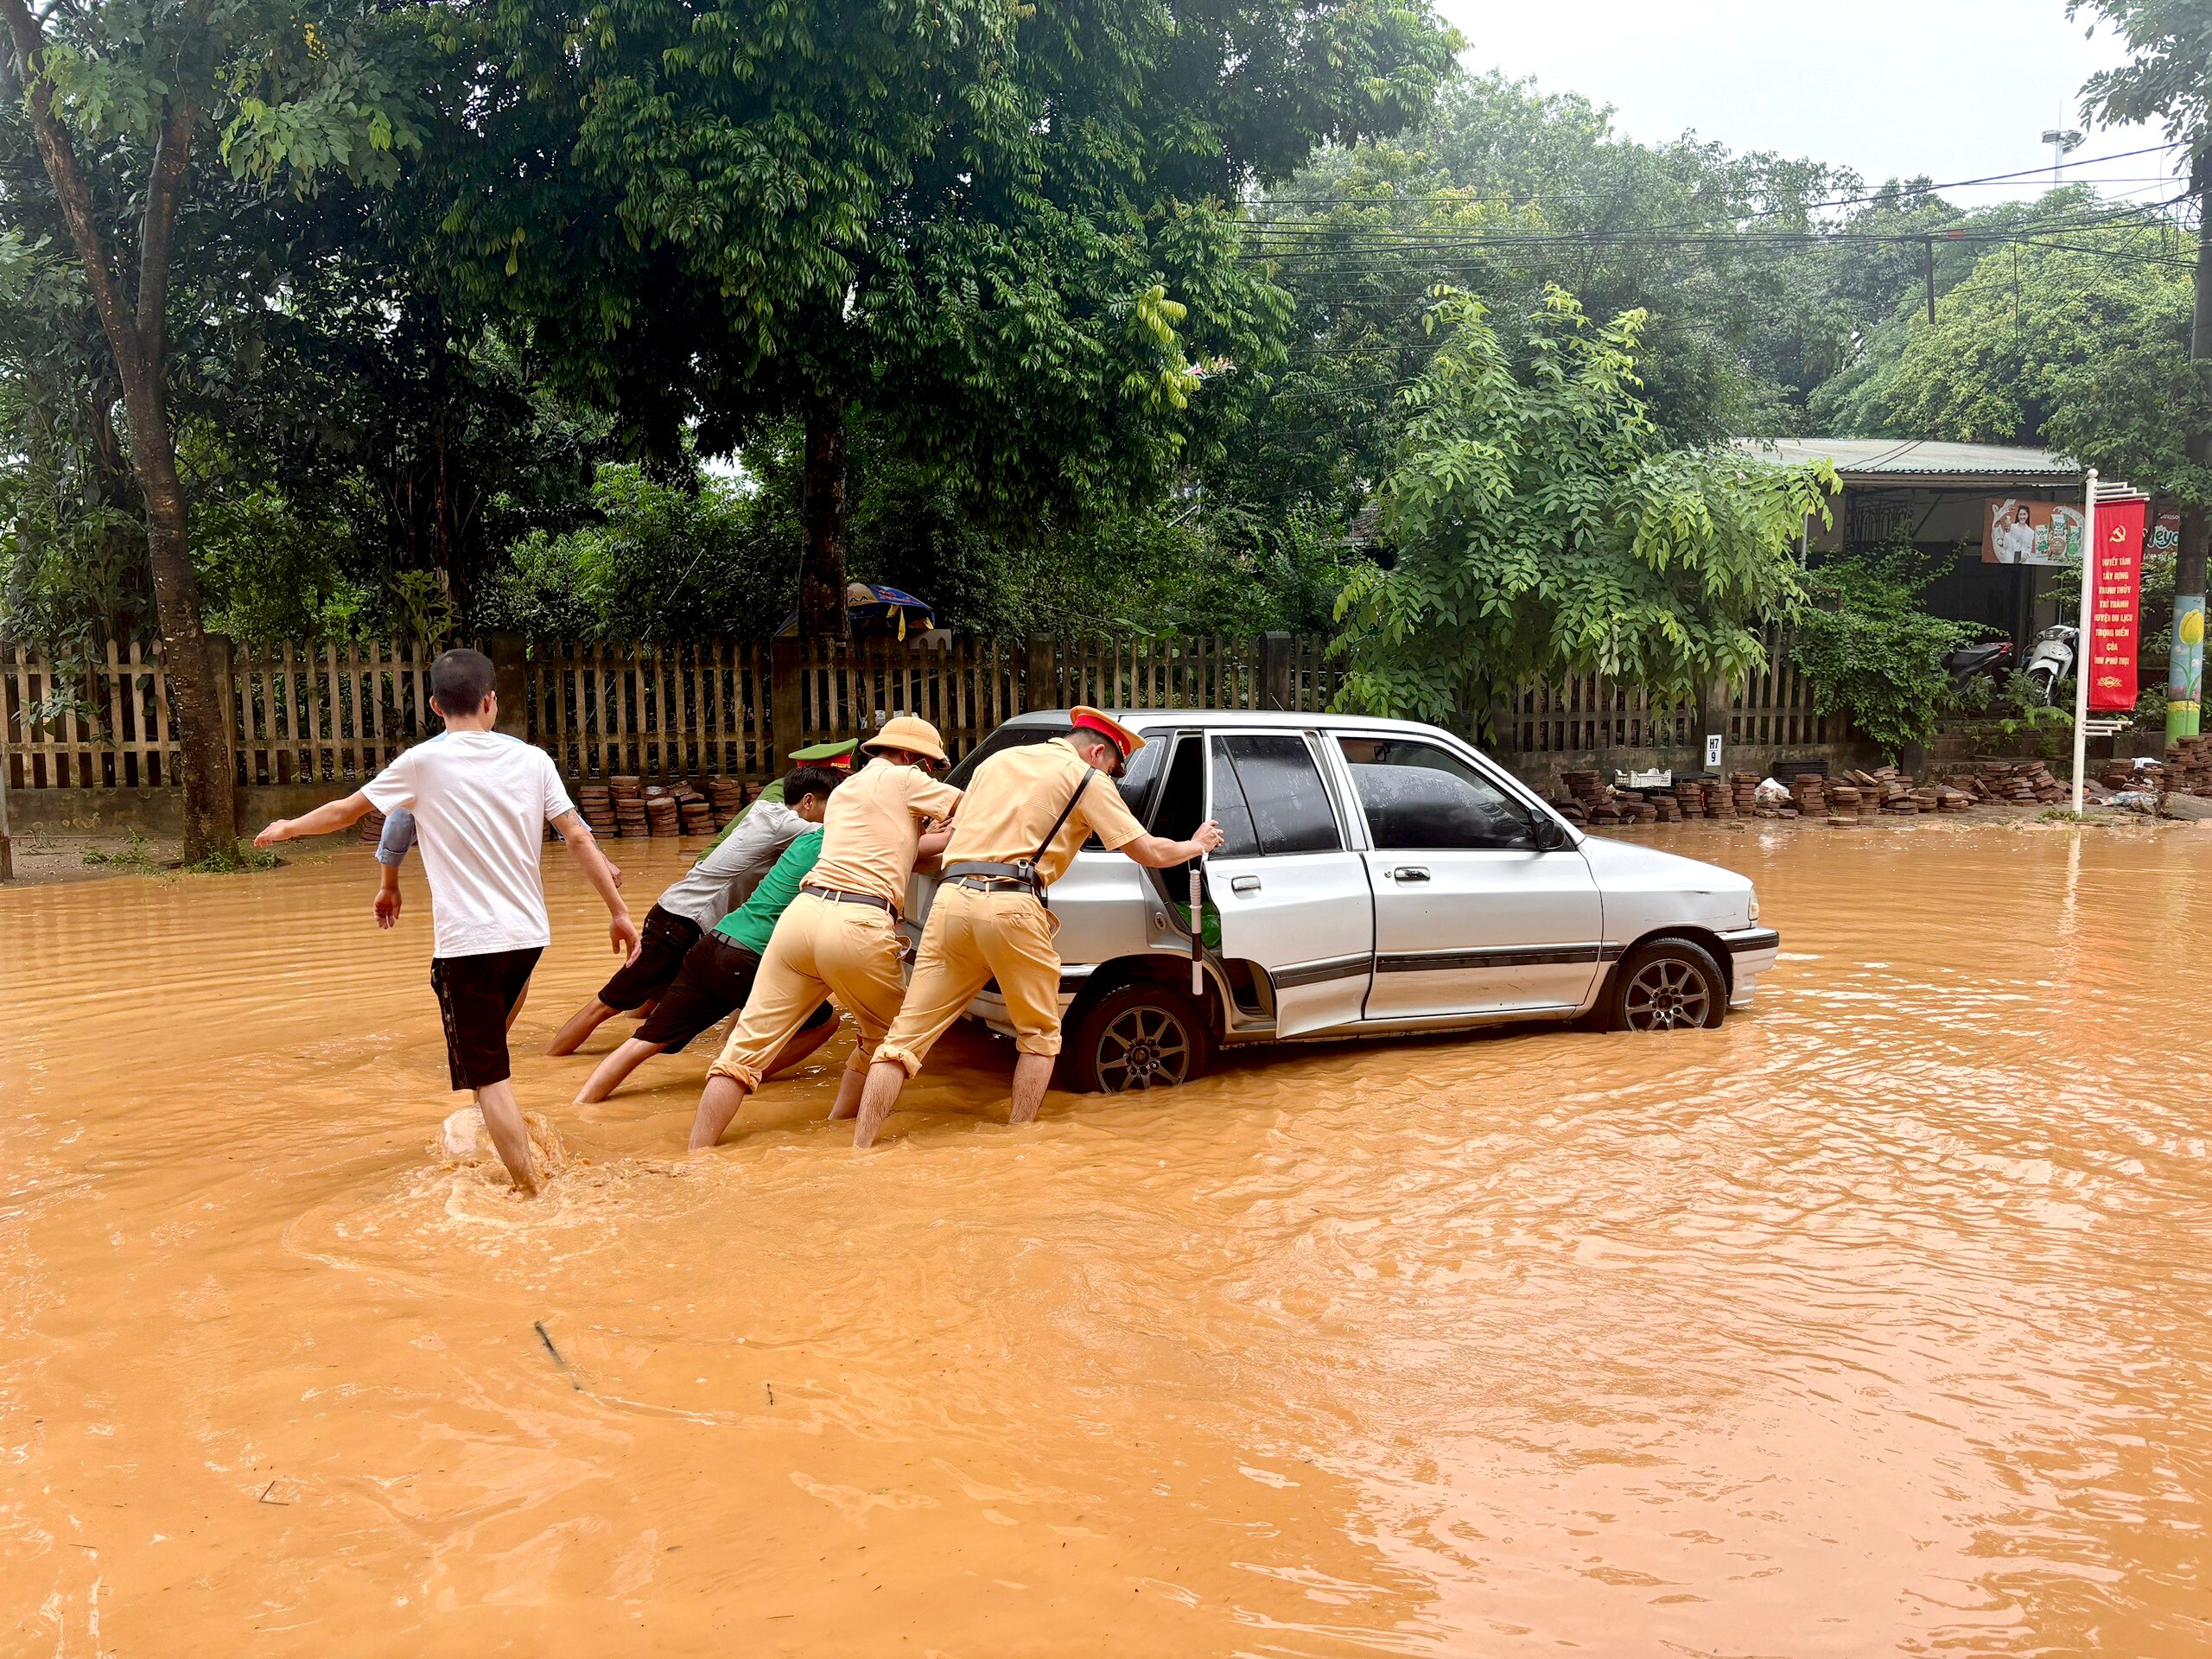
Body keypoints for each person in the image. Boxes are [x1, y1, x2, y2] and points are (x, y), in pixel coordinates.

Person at [254, 648, 638, 1197]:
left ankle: (533, 1192)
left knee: (488, 1079)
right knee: (489, 1048)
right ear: (491, 702)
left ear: (435, 706)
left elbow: (347, 812)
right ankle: (501, 1120)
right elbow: (577, 835)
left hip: (467, 945)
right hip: (529, 939)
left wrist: (288, 827)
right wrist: (620, 913)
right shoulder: (534, 761)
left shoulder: (420, 763)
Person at [849, 708, 1224, 1148]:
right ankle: (1019, 1146)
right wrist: (1195, 844)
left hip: (950, 900)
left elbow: (953, 828)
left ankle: (860, 1149)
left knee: (902, 1040)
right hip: (1013, 905)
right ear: (1099, 752)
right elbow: (1148, 852)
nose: (1113, 777)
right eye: (1114, 769)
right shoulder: (1087, 779)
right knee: (1040, 1036)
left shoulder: (997, 761)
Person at [569, 766, 946, 1103]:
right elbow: (912, 854)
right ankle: (743, 1078)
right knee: (827, 1021)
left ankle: (579, 1104)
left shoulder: (801, 837)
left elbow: (911, 857)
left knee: (644, 1041)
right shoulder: (837, 844)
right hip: (747, 954)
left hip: (712, 941)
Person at [690, 715, 963, 1150]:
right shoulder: (905, 778)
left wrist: (934, 836)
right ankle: (855, 1150)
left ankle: (696, 1154)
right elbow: (977, 809)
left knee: (743, 1052)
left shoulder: (846, 791)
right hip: (859, 923)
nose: (928, 774)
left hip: (801, 917)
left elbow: (902, 854)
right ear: (912, 758)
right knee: (890, 1041)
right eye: (929, 766)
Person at [543, 763, 841, 1055]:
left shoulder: (765, 810)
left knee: (649, 997)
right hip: (681, 922)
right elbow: (839, 835)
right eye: (831, 805)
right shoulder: (792, 825)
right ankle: (552, 1062)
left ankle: (616, 1042)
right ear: (808, 801)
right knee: (607, 1004)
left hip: (681, 918)